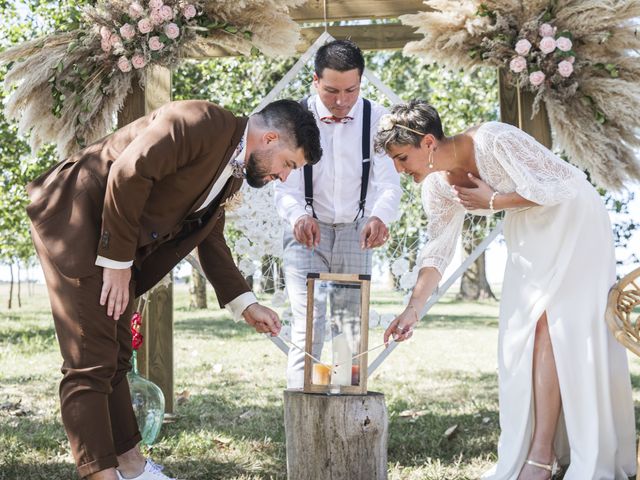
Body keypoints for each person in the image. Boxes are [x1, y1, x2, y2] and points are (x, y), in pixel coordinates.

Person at [26, 98, 322, 480]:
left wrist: (246, 304)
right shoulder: (200, 120)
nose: (284, 177)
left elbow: (209, 238)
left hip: (112, 243)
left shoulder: (231, 170)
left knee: (116, 357)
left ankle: (132, 468)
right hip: (77, 221)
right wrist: (116, 264)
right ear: (269, 138)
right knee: (90, 363)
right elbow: (129, 173)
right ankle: (99, 474)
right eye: (289, 164)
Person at [374, 100, 636, 480]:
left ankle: (542, 455)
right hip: (528, 232)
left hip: (575, 221)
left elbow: (564, 184)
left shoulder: (494, 138)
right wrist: (413, 308)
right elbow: (438, 248)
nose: (399, 170)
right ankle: (536, 449)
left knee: (559, 329)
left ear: (428, 142)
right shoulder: (435, 186)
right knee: (521, 338)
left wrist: (494, 201)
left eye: (401, 158)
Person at [274, 40, 402, 388]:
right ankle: (303, 407)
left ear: (361, 82)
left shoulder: (378, 119)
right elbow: (283, 186)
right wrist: (298, 216)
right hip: (305, 230)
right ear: (315, 81)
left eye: (351, 90)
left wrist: (380, 217)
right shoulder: (295, 119)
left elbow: (390, 183)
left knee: (350, 325)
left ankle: (346, 406)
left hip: (356, 230)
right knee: (307, 322)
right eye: (331, 91)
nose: (342, 101)